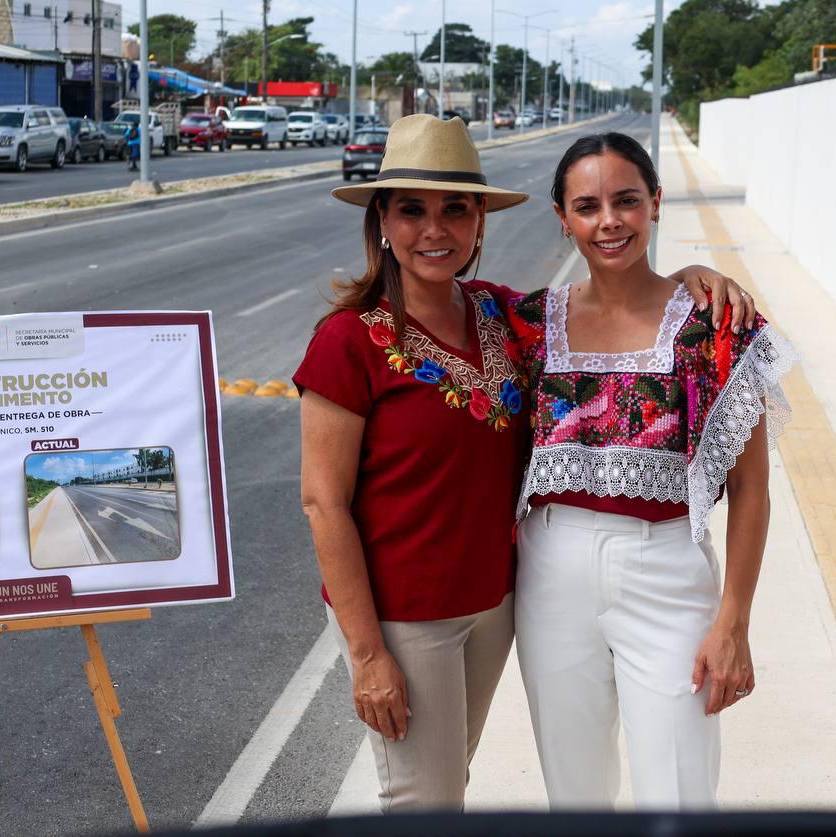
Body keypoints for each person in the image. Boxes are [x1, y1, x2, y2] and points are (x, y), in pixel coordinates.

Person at [294, 114, 756, 813]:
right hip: (412, 616)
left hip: (498, 606)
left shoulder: (505, 318)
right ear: (382, 220)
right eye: (412, 210)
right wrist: (365, 656)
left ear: (481, 221)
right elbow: (322, 502)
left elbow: (623, 300)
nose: (435, 230)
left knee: (662, 789)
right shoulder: (350, 341)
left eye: (456, 209)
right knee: (430, 802)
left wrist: (692, 276)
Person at [506, 132, 797, 810]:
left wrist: (733, 623)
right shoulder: (524, 324)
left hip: (668, 573)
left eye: (627, 201)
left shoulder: (716, 327)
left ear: (655, 203)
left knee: (681, 794)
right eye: (588, 206)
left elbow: (752, 490)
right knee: (572, 799)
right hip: (550, 573)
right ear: (563, 217)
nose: (609, 220)